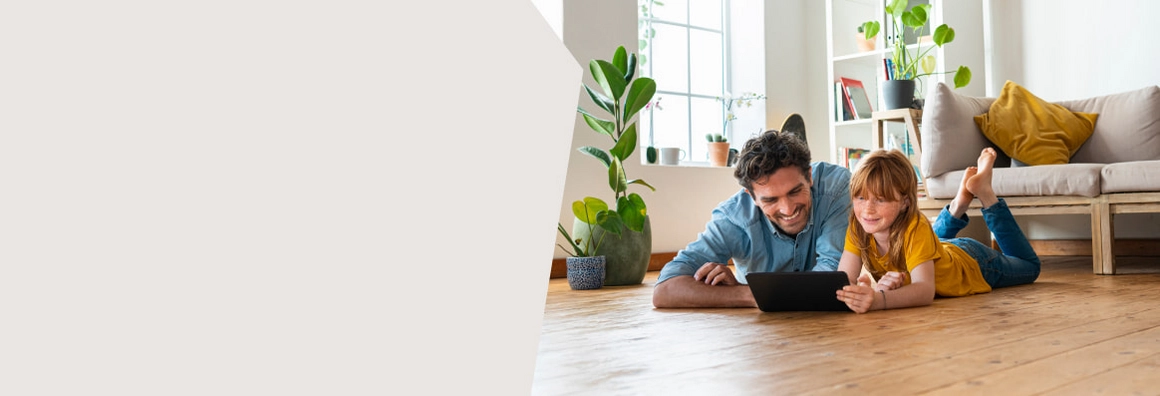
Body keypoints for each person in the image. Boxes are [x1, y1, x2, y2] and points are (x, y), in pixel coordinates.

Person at [652, 130, 852, 308]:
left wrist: (763, 295)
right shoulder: (734, 218)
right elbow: (665, 289)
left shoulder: (836, 188)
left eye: (794, 192)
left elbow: (831, 278)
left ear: (809, 176)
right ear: (751, 196)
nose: (788, 208)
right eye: (771, 200)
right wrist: (746, 294)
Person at [835, 148, 1041, 313]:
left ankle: (986, 194)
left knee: (1030, 267)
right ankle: (959, 204)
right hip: (941, 248)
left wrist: (879, 300)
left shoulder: (915, 226)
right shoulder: (858, 225)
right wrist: (855, 293)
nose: (867, 210)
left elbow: (925, 290)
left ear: (905, 202)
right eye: (860, 198)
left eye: (880, 200)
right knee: (927, 240)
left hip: (973, 263)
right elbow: (843, 280)